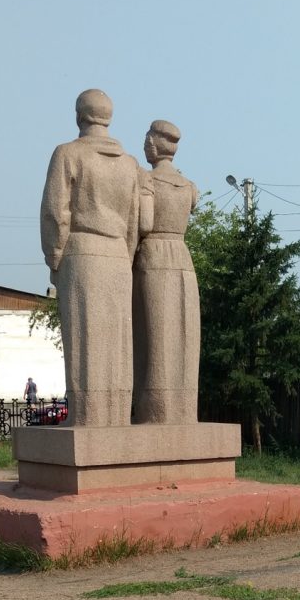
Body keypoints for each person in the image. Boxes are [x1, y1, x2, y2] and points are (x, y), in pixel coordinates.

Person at [40, 89, 148, 427]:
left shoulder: (68, 154)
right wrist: (125, 255)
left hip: (82, 252)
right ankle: (116, 419)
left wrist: (54, 256)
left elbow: (56, 211)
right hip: (118, 255)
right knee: (117, 342)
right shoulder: (130, 164)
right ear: (108, 117)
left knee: (84, 340)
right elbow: (134, 221)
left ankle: (87, 420)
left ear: (79, 116)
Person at [132, 119, 199, 424]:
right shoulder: (189, 186)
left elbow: (144, 224)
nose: (146, 144)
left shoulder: (146, 181)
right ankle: (183, 410)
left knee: (154, 337)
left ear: (157, 145)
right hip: (183, 258)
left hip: (155, 255)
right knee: (183, 334)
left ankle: (156, 411)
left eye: (149, 139)